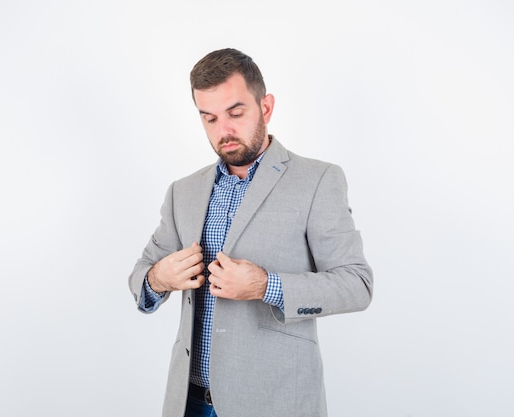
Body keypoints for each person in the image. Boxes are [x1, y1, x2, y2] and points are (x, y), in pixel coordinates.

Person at [128, 48, 373, 417]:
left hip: (274, 401)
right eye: (209, 118)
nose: (223, 130)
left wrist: (265, 286)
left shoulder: (319, 180)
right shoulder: (184, 191)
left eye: (235, 113)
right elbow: (141, 277)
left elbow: (357, 284)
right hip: (188, 402)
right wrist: (158, 278)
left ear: (266, 108)